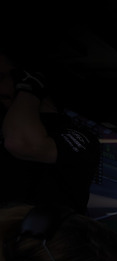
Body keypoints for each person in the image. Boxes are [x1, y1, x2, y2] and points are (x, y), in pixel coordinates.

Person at [0, 51, 100, 214]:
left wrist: (28, 88)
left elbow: (22, 144)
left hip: (46, 237)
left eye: (2, 77)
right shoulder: (5, 126)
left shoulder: (79, 136)